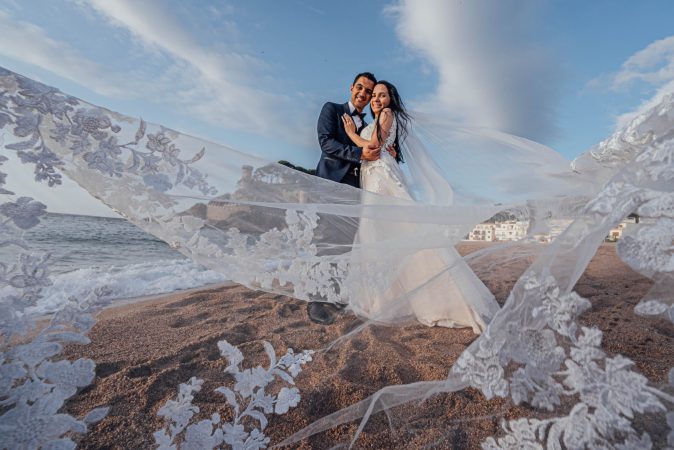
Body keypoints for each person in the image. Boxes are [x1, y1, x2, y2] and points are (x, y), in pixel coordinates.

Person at [341, 81, 498, 332]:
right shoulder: (379, 118)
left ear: (391, 99)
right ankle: (383, 299)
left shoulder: (387, 114)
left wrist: (350, 134)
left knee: (397, 231)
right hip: (374, 176)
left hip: (382, 179)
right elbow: (382, 146)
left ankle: (442, 299)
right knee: (381, 234)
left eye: (383, 95)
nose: (377, 99)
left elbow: (373, 145)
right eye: (375, 96)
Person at [307, 72, 383, 324]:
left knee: (346, 244)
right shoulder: (332, 109)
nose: (363, 93)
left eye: (368, 91)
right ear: (351, 88)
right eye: (359, 88)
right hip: (332, 184)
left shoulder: (371, 122)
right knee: (326, 241)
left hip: (358, 188)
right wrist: (359, 153)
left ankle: (336, 294)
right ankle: (317, 299)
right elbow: (326, 142)